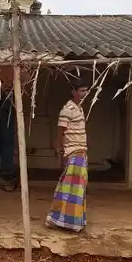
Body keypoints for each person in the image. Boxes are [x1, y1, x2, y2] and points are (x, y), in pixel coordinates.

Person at [46, 84, 89, 232]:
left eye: (86, 90)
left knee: (77, 190)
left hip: (81, 152)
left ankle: (71, 221)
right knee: (70, 190)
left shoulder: (79, 109)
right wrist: (60, 153)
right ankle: (63, 221)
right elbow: (60, 133)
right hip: (73, 152)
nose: (85, 93)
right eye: (82, 90)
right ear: (73, 92)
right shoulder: (67, 110)